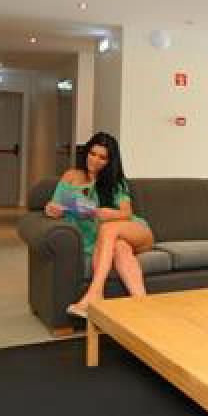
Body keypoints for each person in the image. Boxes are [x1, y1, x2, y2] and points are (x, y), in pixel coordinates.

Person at [45, 132, 153, 317]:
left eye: (102, 157)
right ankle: (143, 306)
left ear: (109, 161)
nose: (95, 160)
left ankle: (95, 293)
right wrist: (51, 210)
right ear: (86, 152)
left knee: (107, 227)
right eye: (92, 154)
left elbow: (127, 214)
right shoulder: (71, 176)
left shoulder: (115, 183)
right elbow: (55, 204)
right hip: (106, 241)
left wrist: (105, 213)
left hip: (135, 231)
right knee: (120, 248)